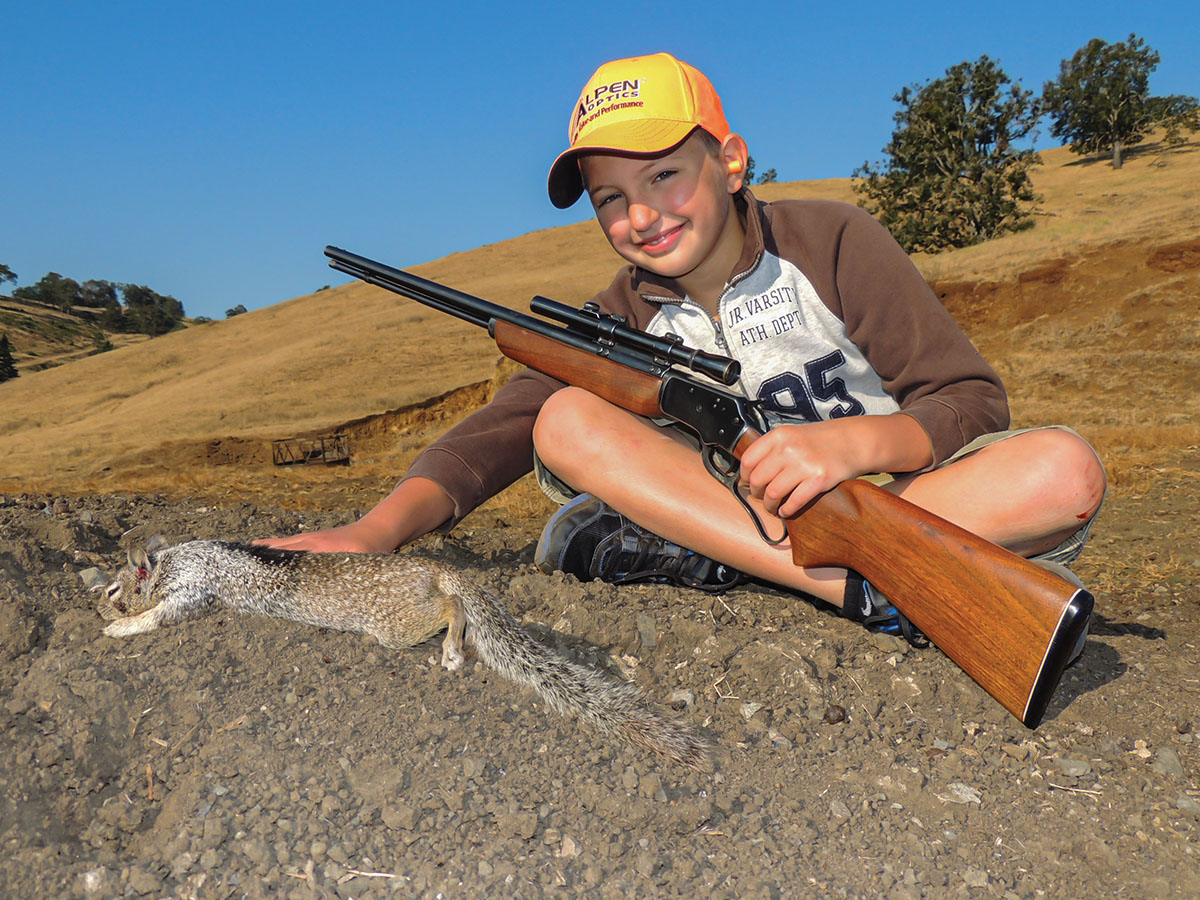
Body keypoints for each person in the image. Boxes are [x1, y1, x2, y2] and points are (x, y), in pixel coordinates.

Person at [262, 52, 1106, 637]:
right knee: (562, 422)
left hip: (915, 508)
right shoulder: (616, 317)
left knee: (1064, 474)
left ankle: (724, 560)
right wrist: (374, 533)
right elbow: (496, 436)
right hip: (755, 521)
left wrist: (852, 444)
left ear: (730, 162)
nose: (640, 216)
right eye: (610, 198)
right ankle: (847, 590)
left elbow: (970, 399)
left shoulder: (834, 241)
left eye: (665, 175)